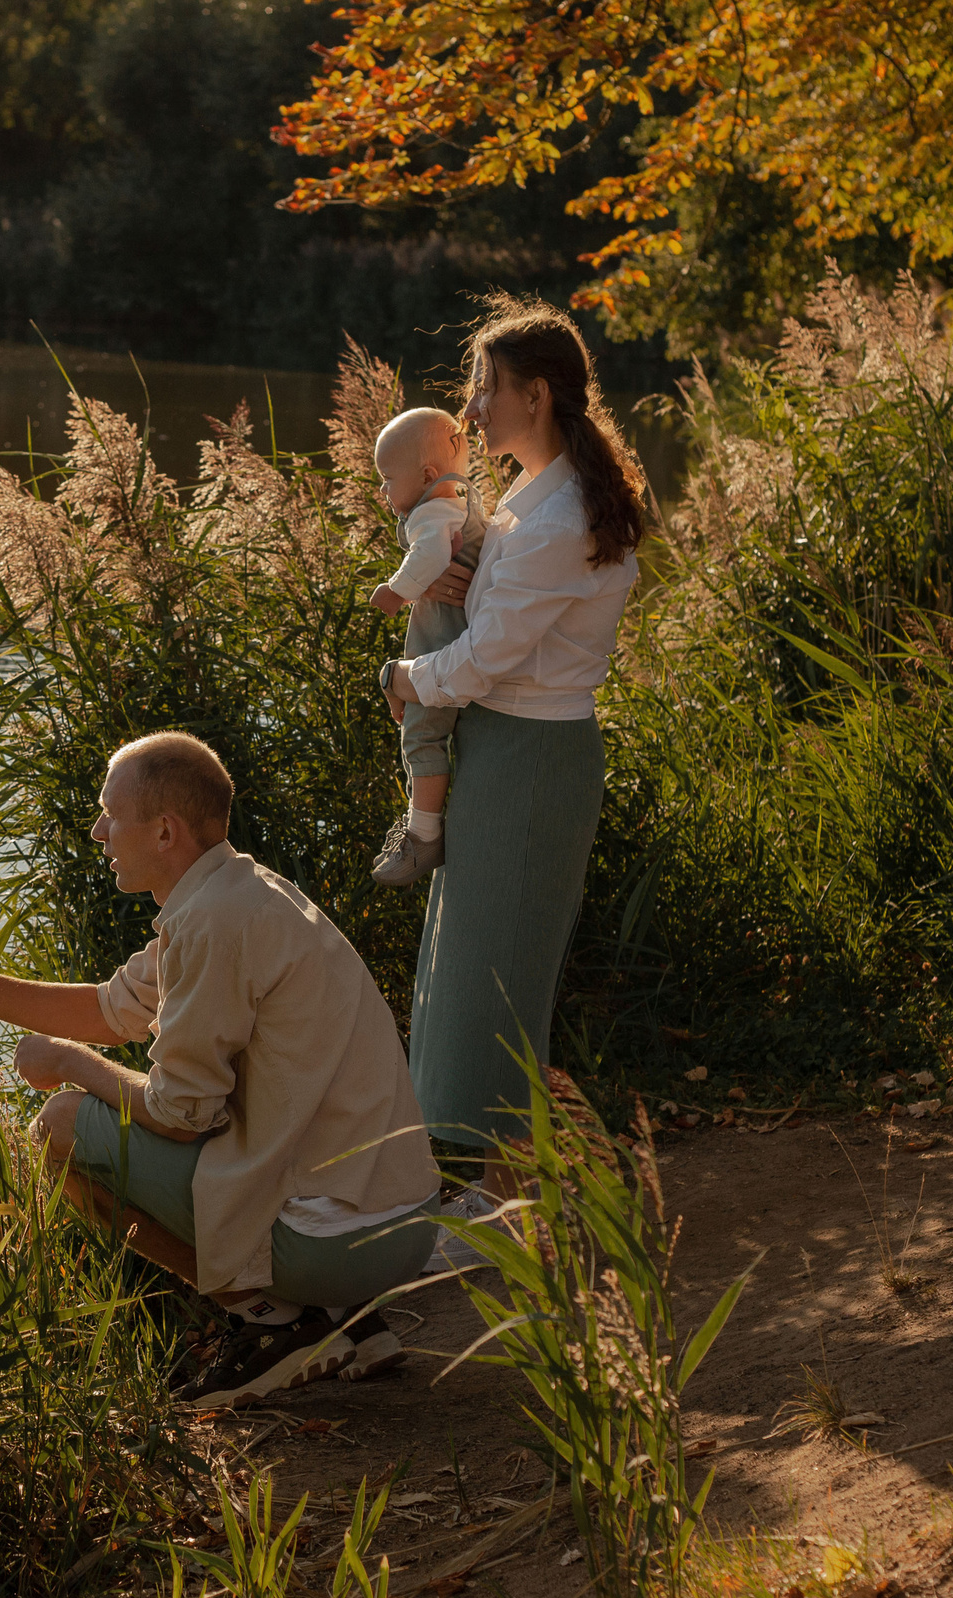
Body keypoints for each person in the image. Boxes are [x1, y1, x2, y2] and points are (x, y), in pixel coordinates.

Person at [0, 731, 441, 1407]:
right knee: (128, 1123)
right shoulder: (239, 891)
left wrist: (68, 1063)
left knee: (58, 1128)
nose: (98, 829)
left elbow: (177, 1114)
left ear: (164, 832)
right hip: (401, 1224)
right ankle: (347, 1317)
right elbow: (113, 1009)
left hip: (339, 1241)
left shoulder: (211, 923)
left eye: (111, 812)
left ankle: (271, 1323)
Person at [378, 298, 647, 1255]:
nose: (473, 405)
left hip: (533, 761)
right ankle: (489, 1196)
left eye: (488, 388)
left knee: (497, 977)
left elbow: (490, 659)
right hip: (505, 754)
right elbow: (500, 605)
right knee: (468, 973)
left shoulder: (557, 515)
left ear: (537, 394)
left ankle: (498, 1210)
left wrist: (411, 679)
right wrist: (459, 565)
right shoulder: (534, 503)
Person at [365, 406, 490, 888]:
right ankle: (425, 826)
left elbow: (432, 554)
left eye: (387, 479)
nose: (383, 491)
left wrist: (396, 590)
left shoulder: (432, 512)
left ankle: (423, 834)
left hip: (443, 645)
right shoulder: (459, 497)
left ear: (427, 475)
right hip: (452, 635)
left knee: (420, 733)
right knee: (423, 725)